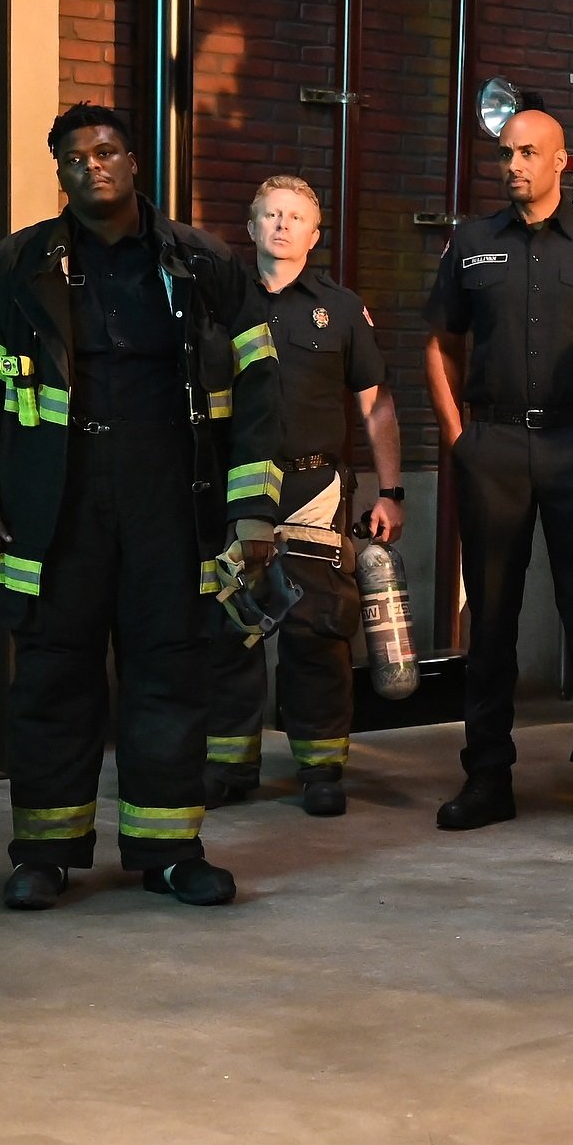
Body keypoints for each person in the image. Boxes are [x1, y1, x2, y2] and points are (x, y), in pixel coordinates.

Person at [0, 104, 273, 910]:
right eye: (75, 156)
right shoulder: (18, 264)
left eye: (107, 150)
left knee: (170, 672)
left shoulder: (203, 263)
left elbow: (261, 389)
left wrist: (254, 510)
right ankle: (44, 854)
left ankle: (169, 851)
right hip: (57, 507)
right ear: (59, 171)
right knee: (52, 678)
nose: (93, 165)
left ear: (133, 161)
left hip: (172, 501)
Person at [420, 108, 573, 838]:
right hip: (492, 448)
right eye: (506, 153)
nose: (514, 165)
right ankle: (488, 775)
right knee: (491, 619)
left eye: (528, 152)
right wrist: (459, 438)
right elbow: (440, 344)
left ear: (561, 162)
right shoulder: (471, 243)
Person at [205, 174, 407, 816]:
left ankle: (321, 770)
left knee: (316, 631)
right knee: (228, 630)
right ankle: (228, 769)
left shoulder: (341, 310)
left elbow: (375, 405)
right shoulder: (215, 304)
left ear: (314, 236)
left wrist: (390, 491)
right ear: (251, 226)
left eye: (296, 217)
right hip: (233, 488)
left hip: (313, 490)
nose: (282, 225)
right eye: (271, 215)